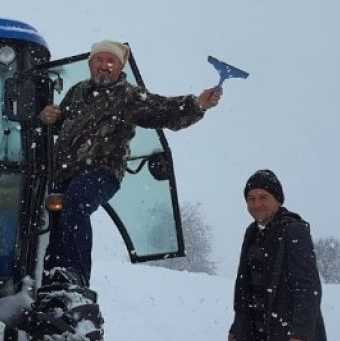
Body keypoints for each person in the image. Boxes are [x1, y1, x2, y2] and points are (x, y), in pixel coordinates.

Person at [38, 39, 222, 286]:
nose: (104, 65)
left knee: (77, 201)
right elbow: (66, 125)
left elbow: (165, 110)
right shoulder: (78, 92)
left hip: (102, 170)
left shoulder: (129, 96)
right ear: (91, 64)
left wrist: (197, 104)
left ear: (120, 65)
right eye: (99, 60)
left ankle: (75, 275)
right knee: (55, 216)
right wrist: (50, 117)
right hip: (66, 172)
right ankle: (51, 276)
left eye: (111, 61)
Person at [229, 169, 331, 341]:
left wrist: (301, 333)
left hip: (292, 340)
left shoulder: (293, 230)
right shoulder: (253, 232)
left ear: (277, 199)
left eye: (263, 197)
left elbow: (307, 286)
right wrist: (237, 326)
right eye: (250, 198)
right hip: (268, 338)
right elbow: (246, 287)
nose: (256, 204)